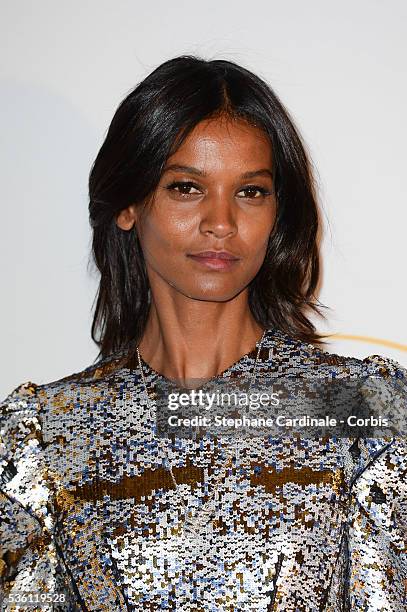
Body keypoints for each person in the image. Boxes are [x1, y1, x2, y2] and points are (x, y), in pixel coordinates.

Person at [1, 55, 406, 611]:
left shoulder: (359, 409)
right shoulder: (47, 434)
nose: (222, 222)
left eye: (251, 192)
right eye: (187, 187)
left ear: (277, 214)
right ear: (127, 204)